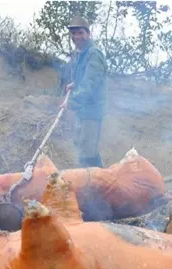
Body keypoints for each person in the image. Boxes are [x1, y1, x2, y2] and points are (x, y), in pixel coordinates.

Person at [60, 16, 108, 168]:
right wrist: (75, 84)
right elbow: (86, 78)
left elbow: (90, 84)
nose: (76, 37)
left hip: (92, 111)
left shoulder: (94, 53)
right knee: (83, 147)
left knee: (87, 153)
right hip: (84, 110)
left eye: (80, 33)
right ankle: (100, 181)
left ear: (88, 33)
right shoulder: (84, 54)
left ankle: (96, 188)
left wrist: (71, 102)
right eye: (73, 34)